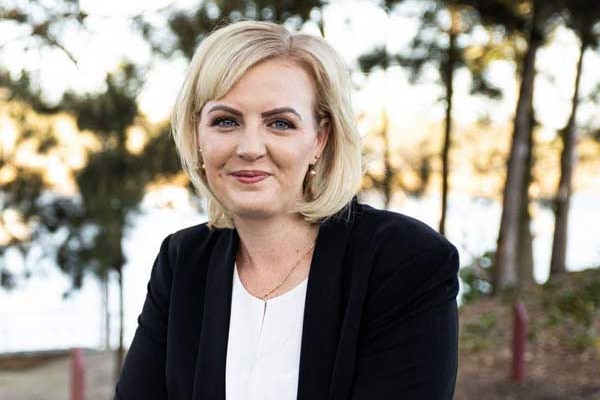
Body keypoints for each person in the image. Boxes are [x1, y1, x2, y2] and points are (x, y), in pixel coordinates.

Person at [114, 20, 459, 400]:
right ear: (198, 134)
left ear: (320, 139)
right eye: (225, 121)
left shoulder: (404, 261)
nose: (249, 147)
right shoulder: (182, 263)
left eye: (280, 123)